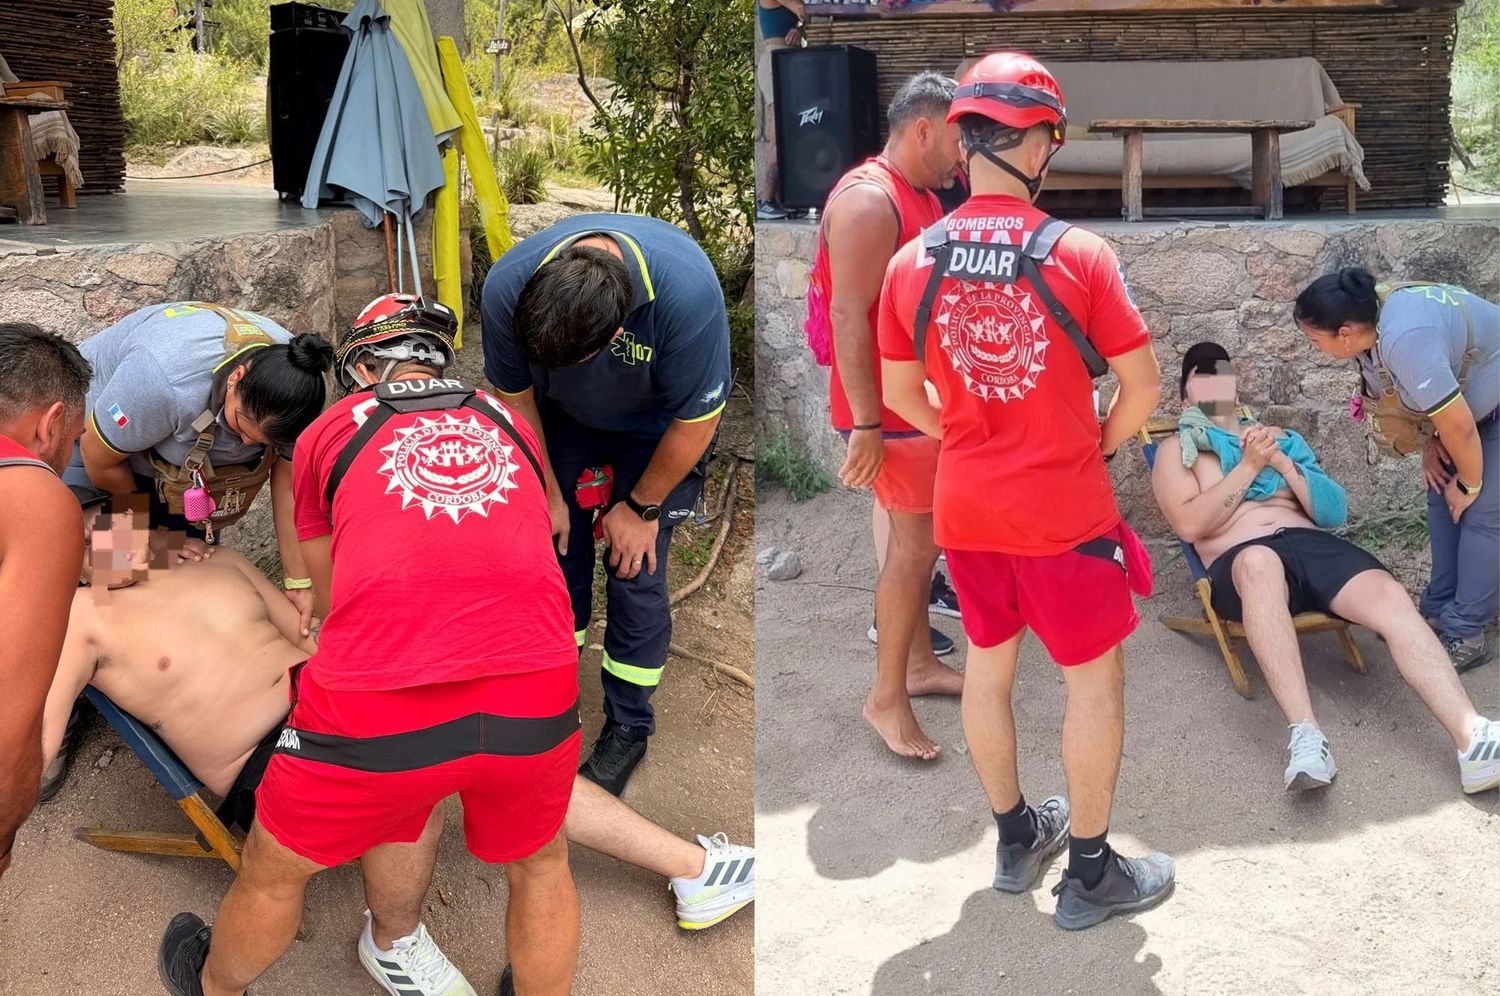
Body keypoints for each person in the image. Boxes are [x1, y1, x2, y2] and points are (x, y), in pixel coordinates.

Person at [43, 490, 755, 934]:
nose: (103, 538)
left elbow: (309, 632)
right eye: (82, 542)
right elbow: (37, 741)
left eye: (107, 522)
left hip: (343, 695)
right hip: (278, 754)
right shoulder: (79, 617)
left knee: (500, 745)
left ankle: (692, 870)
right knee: (456, 761)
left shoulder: (215, 563)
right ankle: (691, 869)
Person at [159, 295, 580, 996]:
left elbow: (329, 596)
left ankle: (215, 986)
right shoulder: (511, 422)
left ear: (359, 366)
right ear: (441, 357)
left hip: (378, 700)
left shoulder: (331, 430)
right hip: (535, 681)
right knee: (541, 864)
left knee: (274, 868)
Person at [879, 52, 1171, 930]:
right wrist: (1087, 444)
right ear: (1040, 142)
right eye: (1055, 135)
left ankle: (1015, 836)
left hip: (966, 507)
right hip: (1063, 513)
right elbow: (1145, 386)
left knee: (988, 668)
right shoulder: (1078, 253)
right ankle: (1089, 874)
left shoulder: (913, 260)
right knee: (1093, 683)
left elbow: (898, 396)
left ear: (966, 139)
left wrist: (971, 434)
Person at [1152, 342, 1500, 794]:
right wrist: (1250, 467)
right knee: (1259, 563)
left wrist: (1281, 462)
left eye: (1224, 376)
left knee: (1390, 596)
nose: (1217, 385)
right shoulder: (1178, 449)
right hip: (1243, 557)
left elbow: (1331, 511)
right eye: (1204, 379)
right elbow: (1190, 522)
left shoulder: (1280, 440)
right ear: (1185, 400)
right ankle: (1307, 738)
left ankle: (1472, 737)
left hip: (1311, 544)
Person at [481, 214, 732, 796]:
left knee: (634, 571)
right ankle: (551, 695)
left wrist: (640, 509)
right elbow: (517, 395)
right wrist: (544, 490)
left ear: (617, 335)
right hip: (562, 419)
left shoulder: (685, 298)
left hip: (657, 427)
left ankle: (628, 725)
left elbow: (698, 419)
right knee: (553, 556)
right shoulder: (508, 286)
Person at [806, 71, 965, 759]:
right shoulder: (873, 201)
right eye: (960, 140)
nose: (966, 156)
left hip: (910, 402)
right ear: (923, 129)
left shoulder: (922, 192)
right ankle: (886, 699)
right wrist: (867, 425)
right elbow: (848, 313)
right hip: (889, 412)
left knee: (922, 546)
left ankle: (921, 668)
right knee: (911, 551)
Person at [62, 301, 335, 635]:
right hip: (97, 446)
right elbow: (99, 456)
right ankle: (90, 672)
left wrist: (298, 581)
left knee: (186, 571)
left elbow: (289, 487)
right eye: (241, 427)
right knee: (113, 573)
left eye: (262, 443)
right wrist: (148, 533)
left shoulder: (296, 393)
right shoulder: (165, 380)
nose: (246, 445)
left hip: (175, 469)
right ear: (237, 377)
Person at [1294, 268, 1499, 672]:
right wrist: (1431, 446)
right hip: (1470, 409)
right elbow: (1430, 403)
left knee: (1482, 517)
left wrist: (1471, 482)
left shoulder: (1405, 338)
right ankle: (1439, 612)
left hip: (1489, 411)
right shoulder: (1375, 327)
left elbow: (1458, 425)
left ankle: (1467, 634)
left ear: (1346, 332)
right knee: (1441, 495)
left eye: (1315, 340)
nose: (1313, 347)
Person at [0, 323, 91, 880]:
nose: (71, 453)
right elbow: (8, 730)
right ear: (52, 422)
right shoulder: (38, 495)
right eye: (73, 441)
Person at [755, 0, 804, 219]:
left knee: (790, 134)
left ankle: (781, 197)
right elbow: (804, 9)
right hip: (776, 60)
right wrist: (804, 23)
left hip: (788, 61)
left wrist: (799, 28)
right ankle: (766, 199)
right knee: (779, 136)